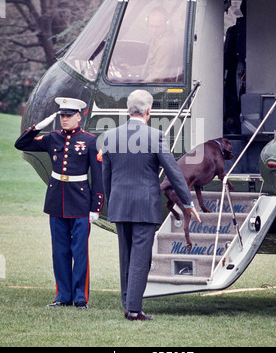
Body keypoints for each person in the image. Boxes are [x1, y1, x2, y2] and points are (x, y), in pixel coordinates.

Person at [102, 90, 201, 321]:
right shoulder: (155, 136)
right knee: (141, 259)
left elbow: (106, 175)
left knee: (126, 256)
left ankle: (128, 302)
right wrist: (187, 202)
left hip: (120, 204)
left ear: (128, 110)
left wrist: (112, 201)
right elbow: (174, 173)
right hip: (145, 206)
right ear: (148, 111)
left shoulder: (109, 136)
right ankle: (134, 310)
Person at [15, 97, 104, 309]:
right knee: (60, 251)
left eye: (68, 116)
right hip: (56, 200)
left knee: (80, 251)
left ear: (79, 116)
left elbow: (98, 177)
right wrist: (39, 127)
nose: (64, 119)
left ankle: (80, 298)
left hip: (81, 202)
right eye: (62, 115)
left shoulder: (90, 141)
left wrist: (96, 207)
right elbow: (21, 144)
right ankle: (63, 296)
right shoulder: (52, 137)